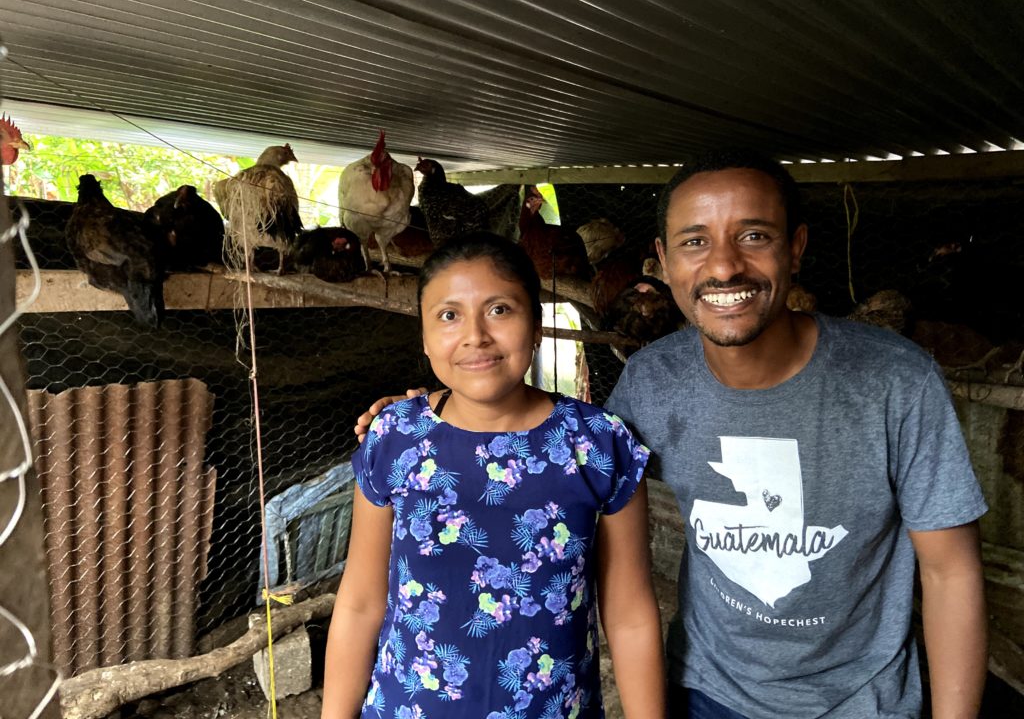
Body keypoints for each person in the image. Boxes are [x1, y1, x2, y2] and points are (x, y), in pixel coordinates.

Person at [354, 150, 989, 719]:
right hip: (706, 691)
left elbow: (950, 572)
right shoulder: (654, 382)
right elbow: (546, 440)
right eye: (694, 243)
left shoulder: (894, 381)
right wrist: (430, 411)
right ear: (661, 261)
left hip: (862, 700)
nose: (723, 266)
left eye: (754, 236)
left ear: (796, 248)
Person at [324, 232, 666, 719]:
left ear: (537, 326)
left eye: (500, 309)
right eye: (448, 315)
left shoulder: (597, 444)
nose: (476, 335)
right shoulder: (394, 438)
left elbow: (630, 616)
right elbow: (359, 603)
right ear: (423, 337)